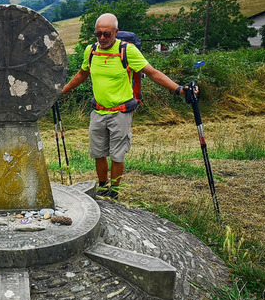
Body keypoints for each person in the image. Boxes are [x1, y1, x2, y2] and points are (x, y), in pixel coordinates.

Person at [62, 13, 194, 200]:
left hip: (120, 113)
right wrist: (63, 90)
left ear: (116, 32)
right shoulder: (90, 51)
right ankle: (102, 187)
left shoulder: (127, 51)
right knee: (98, 153)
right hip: (98, 111)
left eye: (107, 34)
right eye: (98, 33)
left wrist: (179, 89)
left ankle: (114, 192)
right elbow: (82, 74)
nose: (102, 38)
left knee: (117, 155)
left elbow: (153, 73)